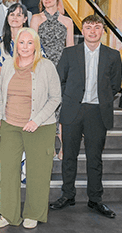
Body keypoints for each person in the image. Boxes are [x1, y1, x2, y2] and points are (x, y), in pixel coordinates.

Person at [50, 15, 122, 219]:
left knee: (94, 158)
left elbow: (115, 85)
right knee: (69, 156)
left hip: (97, 112)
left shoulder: (113, 55)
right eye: (88, 27)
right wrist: (70, 97)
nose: (92, 31)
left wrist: (103, 98)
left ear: (102, 31)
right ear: (82, 30)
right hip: (73, 110)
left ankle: (95, 199)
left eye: (97, 27)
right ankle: (68, 195)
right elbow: (59, 80)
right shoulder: (69, 53)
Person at [0, 28, 61, 229]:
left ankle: (34, 213)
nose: (26, 47)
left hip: (39, 127)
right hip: (10, 125)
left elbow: (56, 97)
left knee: (38, 172)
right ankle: (8, 214)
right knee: (8, 171)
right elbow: (2, 95)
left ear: (36, 45)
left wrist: (36, 120)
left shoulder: (46, 66)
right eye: (22, 42)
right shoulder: (8, 65)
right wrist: (1, 118)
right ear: (16, 45)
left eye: (30, 43)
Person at [30, 0, 73, 66]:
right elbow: (33, 44)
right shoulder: (36, 18)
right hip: (41, 63)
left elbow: (70, 47)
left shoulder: (67, 21)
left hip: (61, 64)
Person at [0, 3, 29, 75]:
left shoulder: (33, 40)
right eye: (12, 14)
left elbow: (40, 64)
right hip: (8, 82)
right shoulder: (1, 42)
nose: (14, 18)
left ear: (25, 19)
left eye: (19, 15)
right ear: (7, 17)